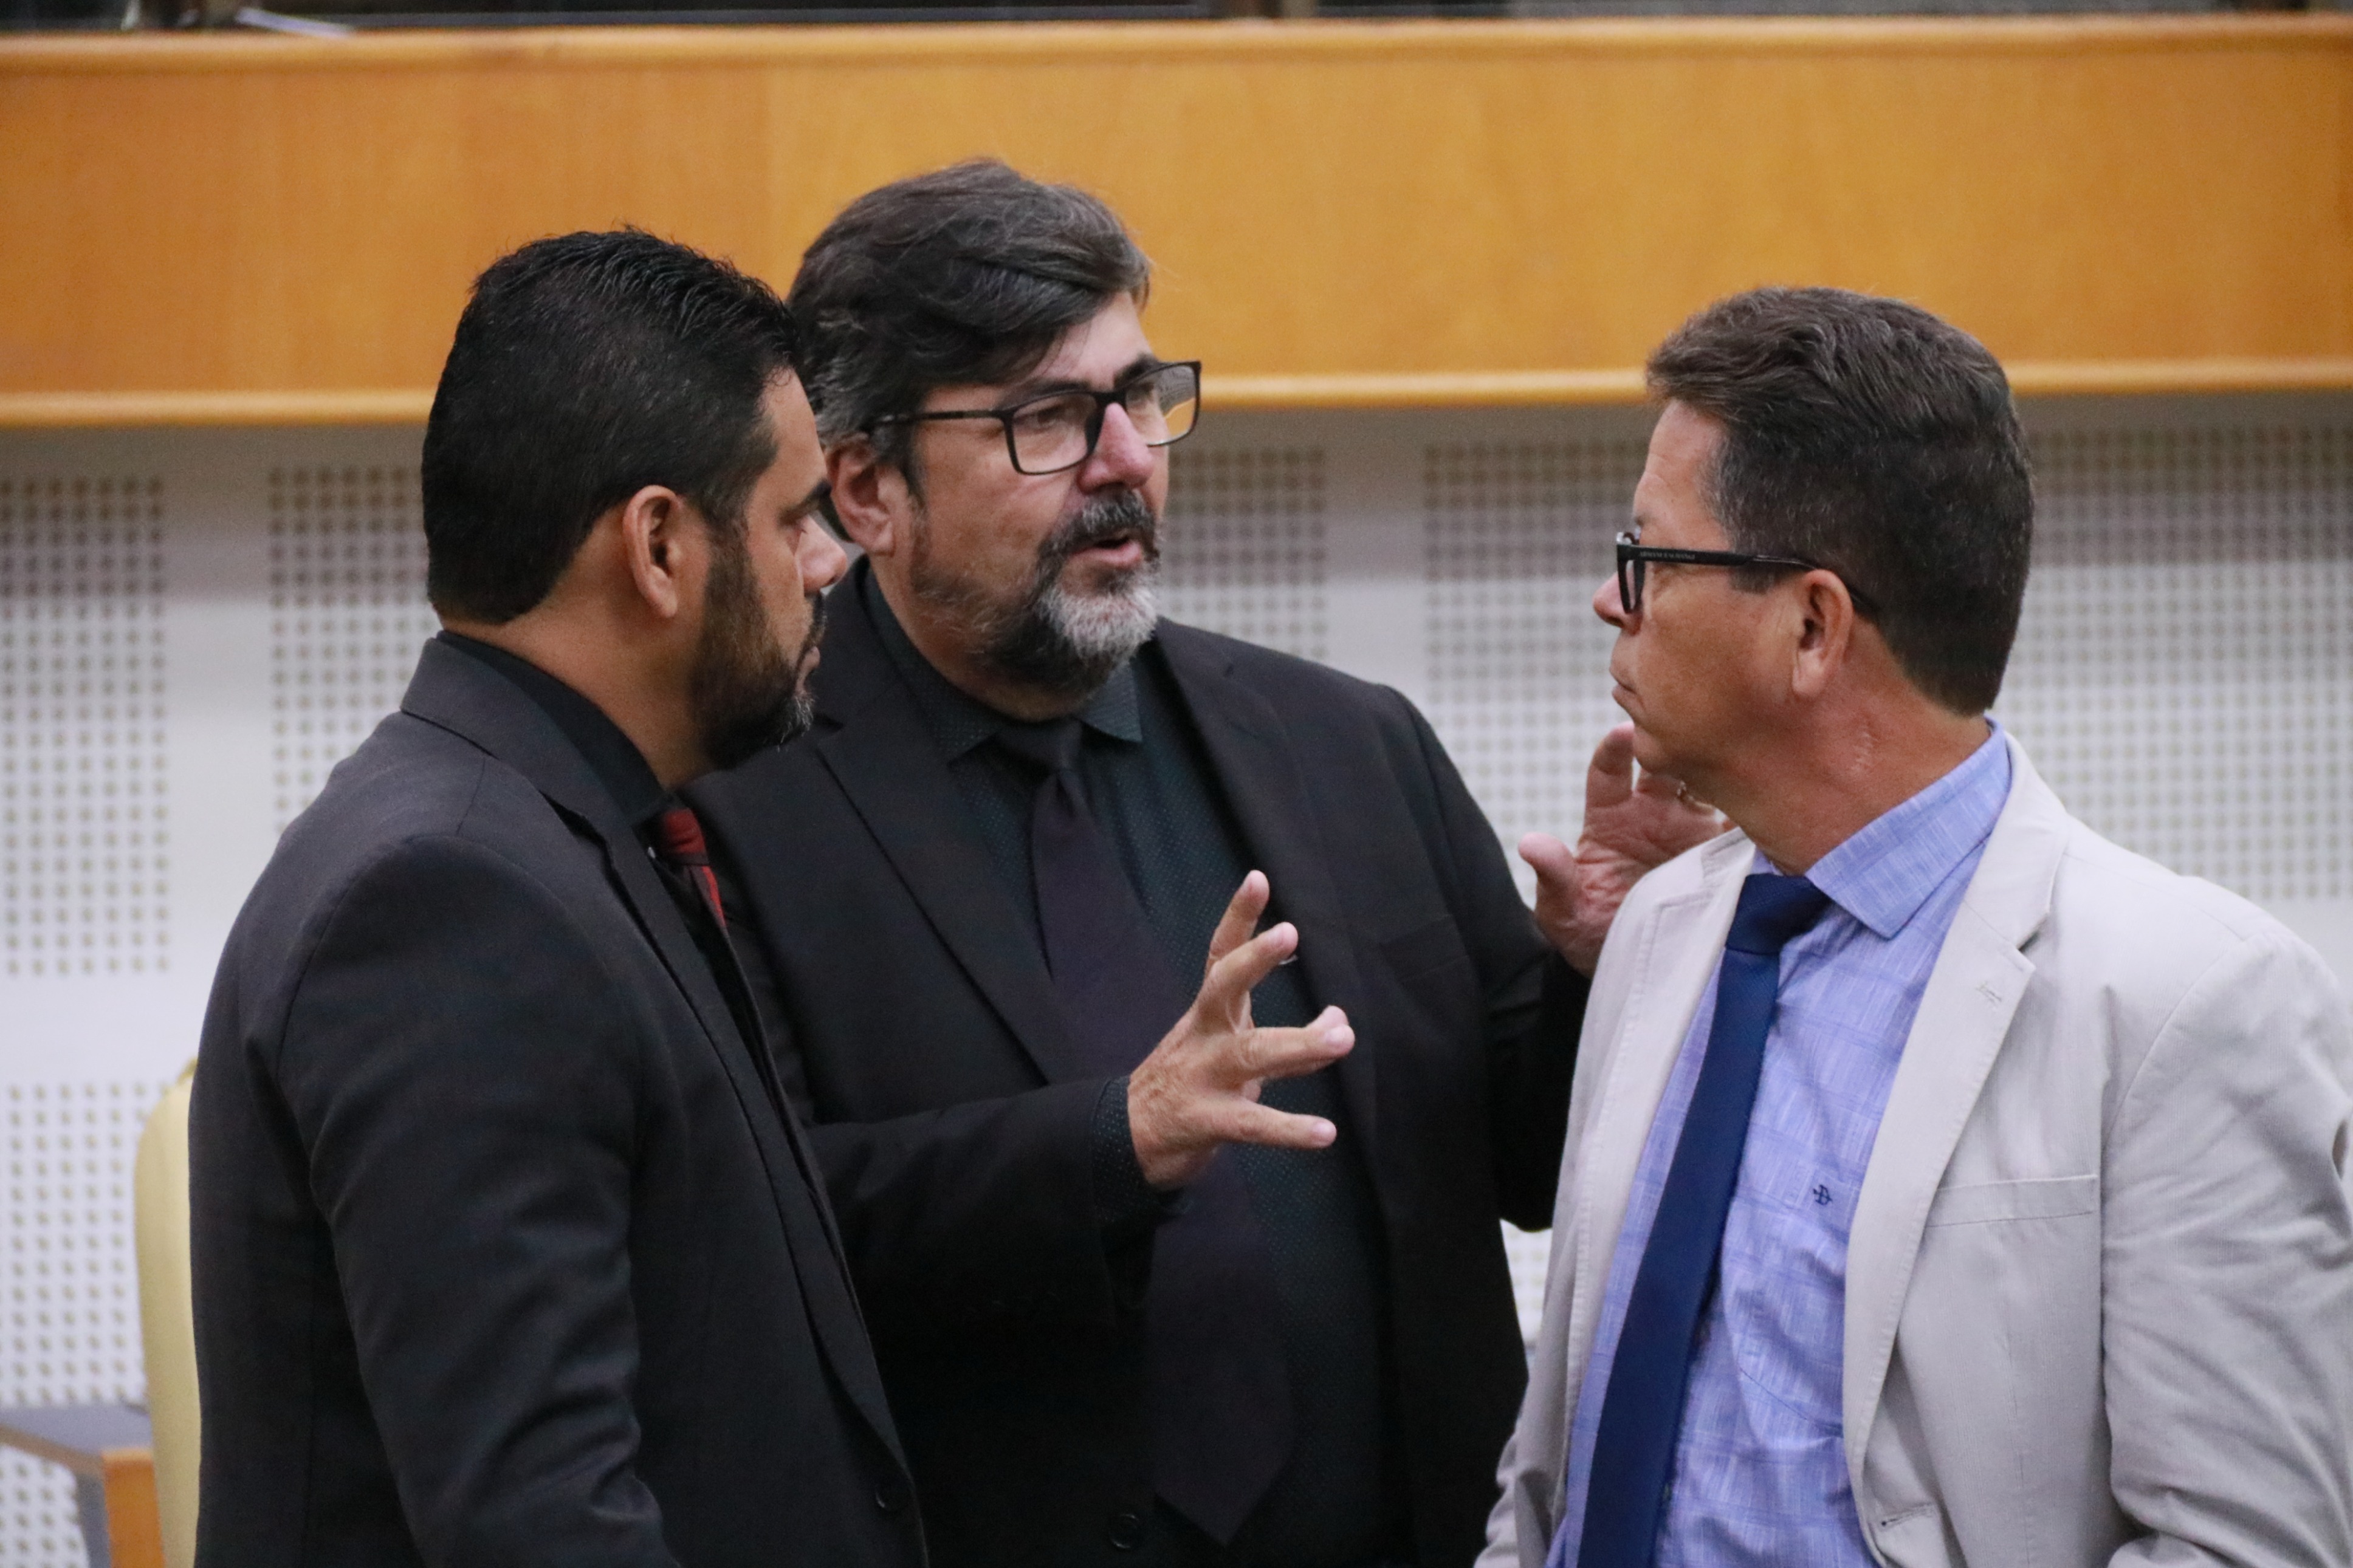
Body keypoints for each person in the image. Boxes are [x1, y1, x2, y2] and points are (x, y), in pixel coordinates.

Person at [689, 160, 1715, 1568]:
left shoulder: (1345, 747)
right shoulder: (733, 811)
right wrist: (1115, 1142)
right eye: (1049, 419)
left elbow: (1528, 1159)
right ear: (867, 488)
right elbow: (754, 1245)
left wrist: (1606, 966)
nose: (1125, 459)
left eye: (1138, 396)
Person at [1485, 286, 2353, 1568]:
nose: (1615, 603)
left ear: (1811, 627)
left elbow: (2247, 1543)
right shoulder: (1661, 929)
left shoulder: (2191, 1001)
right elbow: (1555, 1472)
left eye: (1651, 559)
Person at [190, 231, 925, 1567]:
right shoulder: (452, 903)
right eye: (792, 518)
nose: (828, 563)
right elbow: (540, 1525)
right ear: (659, 546)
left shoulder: (557, 835)